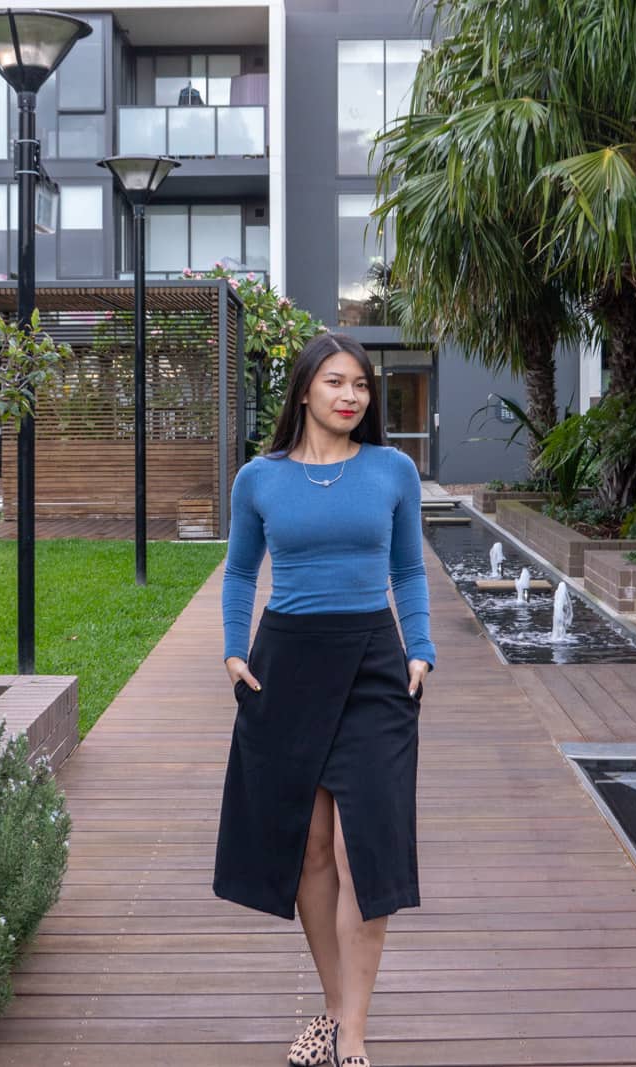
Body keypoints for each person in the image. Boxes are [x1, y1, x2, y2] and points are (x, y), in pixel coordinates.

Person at [216, 331, 435, 1067]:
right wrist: (234, 647)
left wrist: (421, 649)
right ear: (305, 388)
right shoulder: (259, 479)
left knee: (362, 846)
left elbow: (408, 569)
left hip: (375, 663)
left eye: (362, 386)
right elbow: (241, 572)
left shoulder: (393, 470)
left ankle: (354, 1038)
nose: (351, 396)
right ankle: (338, 1011)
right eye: (337, 382)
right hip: (287, 664)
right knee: (309, 849)